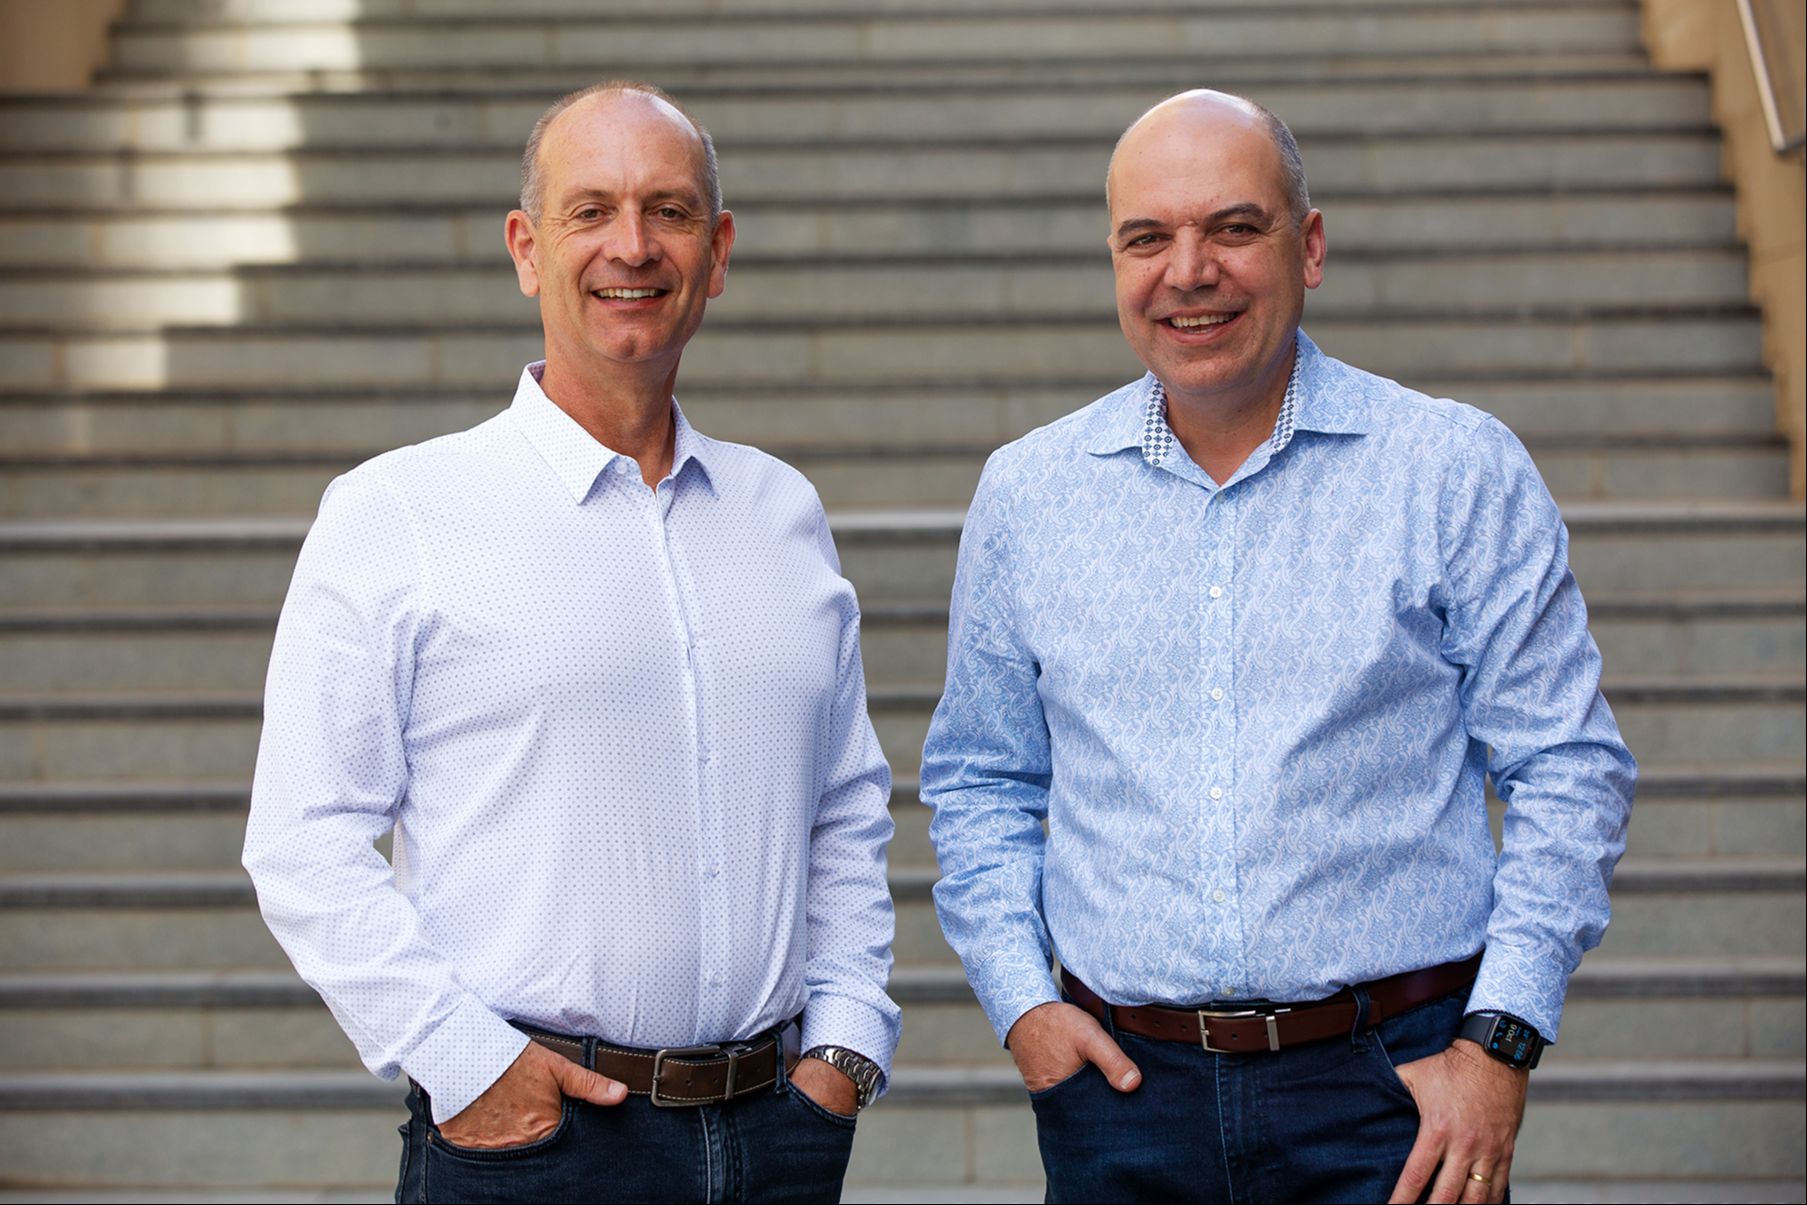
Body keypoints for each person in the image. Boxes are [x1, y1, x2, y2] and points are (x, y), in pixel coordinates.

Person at [921, 89, 1635, 1205]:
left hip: (1393, 1100)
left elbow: (1567, 764)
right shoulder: (1029, 494)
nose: (1187, 270)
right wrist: (1023, 1004)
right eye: (1146, 237)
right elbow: (979, 775)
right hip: (1121, 1103)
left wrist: (1498, 1041)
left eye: (1233, 228)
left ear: (1307, 247)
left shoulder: (1450, 469)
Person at [243, 81, 898, 1205]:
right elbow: (301, 843)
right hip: (531, 1148)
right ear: (525, 246)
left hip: (778, 1138)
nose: (631, 246)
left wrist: (843, 1043)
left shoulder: (782, 509)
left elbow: (842, 802)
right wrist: (465, 1062)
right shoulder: (396, 511)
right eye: (589, 210)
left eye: (669, 210)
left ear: (718, 248)